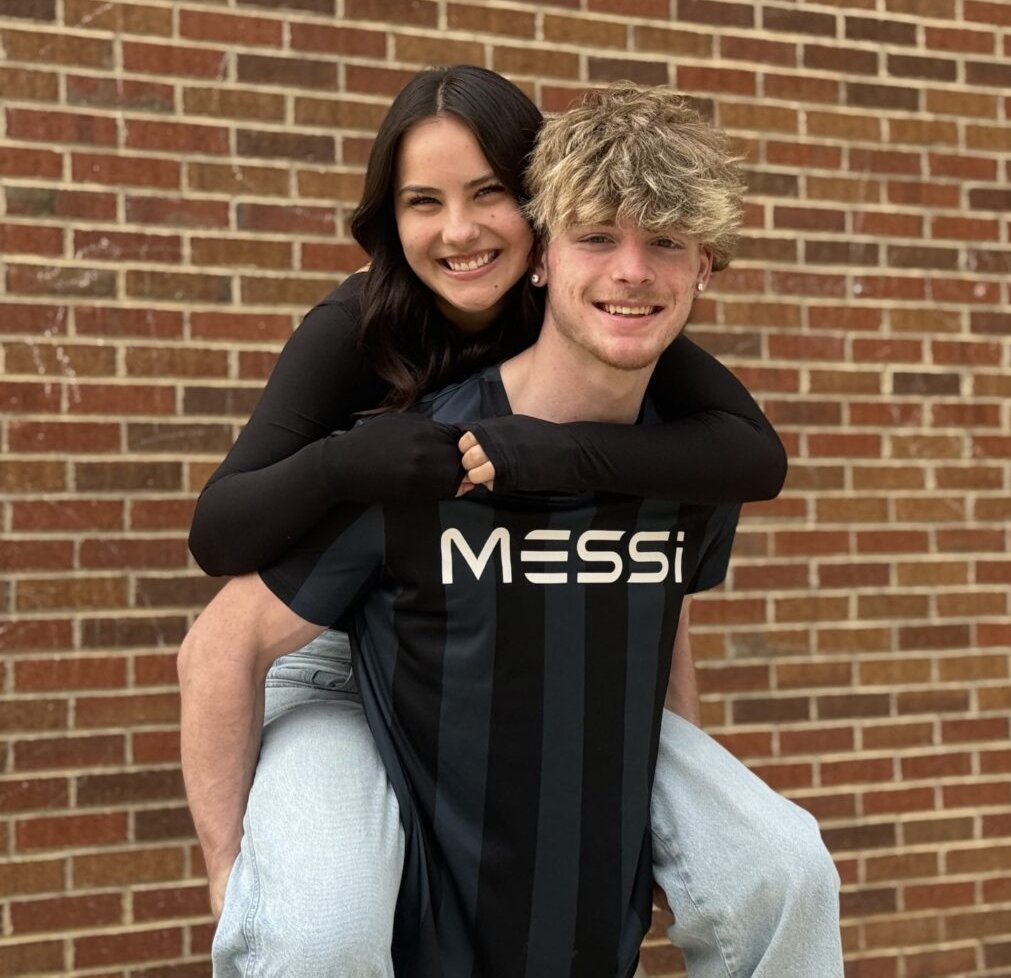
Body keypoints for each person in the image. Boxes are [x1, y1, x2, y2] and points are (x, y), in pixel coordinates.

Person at [183, 68, 843, 976]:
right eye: (423, 201)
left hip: (530, 659)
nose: (460, 230)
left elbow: (702, 537)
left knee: (785, 867)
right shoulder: (358, 326)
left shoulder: (637, 351)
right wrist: (343, 462)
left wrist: (551, 456)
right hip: (333, 645)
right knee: (319, 929)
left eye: (487, 192)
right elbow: (219, 552)